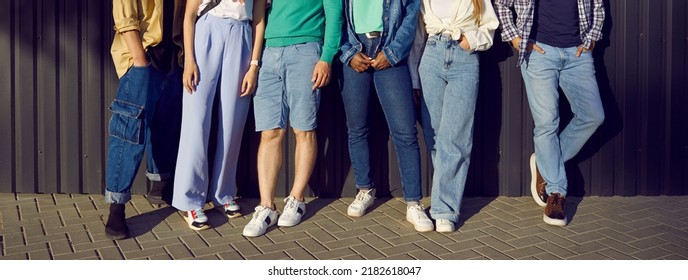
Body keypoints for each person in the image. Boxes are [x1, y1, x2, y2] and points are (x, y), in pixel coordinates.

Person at [494, 0, 605, 226]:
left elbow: (598, 7)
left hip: (577, 53)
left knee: (593, 115)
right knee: (547, 123)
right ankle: (556, 194)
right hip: (539, 52)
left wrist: (592, 36)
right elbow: (501, 5)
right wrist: (515, 38)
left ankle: (544, 162)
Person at [242, 0, 342, 237]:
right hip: (269, 52)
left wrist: (326, 57)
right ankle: (266, 207)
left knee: (303, 130)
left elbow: (334, 14)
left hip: (306, 50)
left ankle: (297, 199)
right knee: (270, 132)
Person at [340, 0, 433, 232]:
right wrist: (349, 53)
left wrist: (392, 53)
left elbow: (411, 15)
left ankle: (414, 202)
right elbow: (335, 18)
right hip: (355, 50)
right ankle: (365, 189)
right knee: (357, 129)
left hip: (390, 50)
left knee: (405, 132)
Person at [171, 0, 266, 230]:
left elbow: (259, 20)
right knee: (196, 120)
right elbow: (190, 15)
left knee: (234, 120)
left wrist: (254, 66)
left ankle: (223, 193)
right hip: (207, 32)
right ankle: (189, 200)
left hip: (242, 35)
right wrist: (190, 60)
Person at [410, 0, 498, 233]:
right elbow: (418, 36)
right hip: (431, 57)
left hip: (464, 59)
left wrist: (473, 41)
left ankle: (444, 209)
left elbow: (490, 26)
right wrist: (413, 79)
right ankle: (444, 198)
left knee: (456, 136)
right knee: (436, 136)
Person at [105, 0, 185, 239]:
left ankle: (159, 187)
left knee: (165, 126)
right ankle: (116, 207)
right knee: (129, 132)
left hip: (174, 59)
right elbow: (124, 15)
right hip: (143, 57)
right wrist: (140, 60)